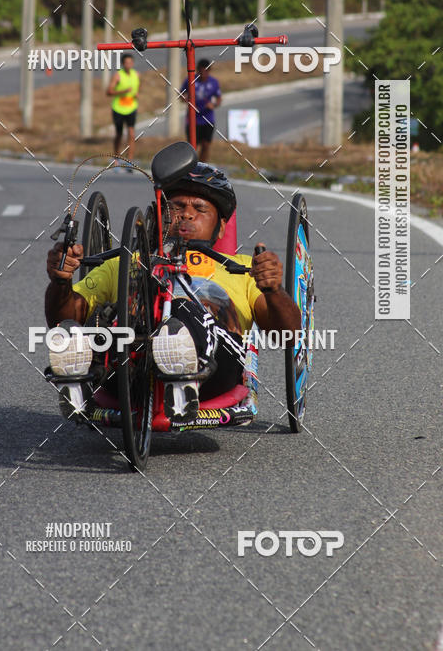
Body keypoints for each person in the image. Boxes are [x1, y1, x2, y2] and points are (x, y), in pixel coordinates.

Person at [45, 160, 301, 423]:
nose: (187, 215)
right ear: (160, 216)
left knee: (181, 308)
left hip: (214, 371)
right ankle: (78, 374)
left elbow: (289, 336)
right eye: (177, 207)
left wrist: (273, 290)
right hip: (130, 368)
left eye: (200, 209)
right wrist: (61, 282)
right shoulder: (124, 263)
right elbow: (63, 316)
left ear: (221, 226)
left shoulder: (244, 268)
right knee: (96, 323)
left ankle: (182, 362)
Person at [180, 59, 221, 162]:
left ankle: (202, 166)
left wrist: (214, 104)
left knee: (206, 145)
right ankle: (191, 167)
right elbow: (181, 94)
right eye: (201, 72)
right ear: (197, 70)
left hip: (208, 119)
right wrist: (186, 99)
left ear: (209, 71)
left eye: (206, 71)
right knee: (193, 146)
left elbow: (219, 98)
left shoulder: (214, 82)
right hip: (193, 119)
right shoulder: (190, 80)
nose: (203, 74)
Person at [106, 52, 139, 168]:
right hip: (118, 109)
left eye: (130, 63)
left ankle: (130, 160)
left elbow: (136, 89)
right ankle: (116, 158)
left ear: (133, 63)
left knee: (131, 134)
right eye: (126, 63)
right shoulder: (118, 76)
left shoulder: (136, 75)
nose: (128, 65)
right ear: (123, 64)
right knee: (119, 134)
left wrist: (136, 95)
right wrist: (122, 91)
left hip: (131, 107)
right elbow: (109, 91)